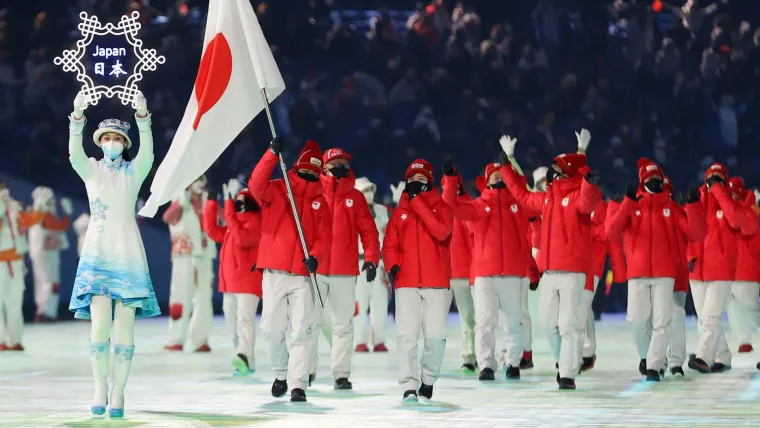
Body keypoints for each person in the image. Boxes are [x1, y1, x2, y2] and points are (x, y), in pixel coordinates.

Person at [67, 92, 160, 418]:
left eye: (116, 138)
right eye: (106, 137)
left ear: (124, 142)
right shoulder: (91, 170)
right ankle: (98, 387)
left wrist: (143, 117)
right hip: (97, 254)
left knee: (125, 330)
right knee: (99, 327)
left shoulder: (134, 172)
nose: (110, 142)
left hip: (128, 255)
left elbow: (148, 154)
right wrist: (77, 120)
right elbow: (74, 154)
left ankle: (118, 392)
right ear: (99, 141)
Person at [501, 134, 602, 390]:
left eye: (557, 169)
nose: (553, 173)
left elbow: (589, 203)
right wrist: (506, 169)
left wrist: (589, 183)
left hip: (572, 272)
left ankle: (567, 374)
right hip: (549, 271)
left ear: (567, 173)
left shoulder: (577, 198)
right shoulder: (548, 199)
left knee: (568, 323)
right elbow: (523, 197)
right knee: (547, 323)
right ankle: (565, 360)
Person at [248, 138, 332, 403]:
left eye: (313, 171)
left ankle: (298, 384)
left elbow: (324, 238)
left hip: (303, 276)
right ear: (296, 166)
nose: (309, 175)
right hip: (274, 270)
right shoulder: (278, 189)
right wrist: (272, 154)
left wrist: (315, 257)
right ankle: (280, 373)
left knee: (301, 330)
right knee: (271, 329)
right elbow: (255, 186)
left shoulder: (321, 202)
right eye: (305, 169)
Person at [606, 159, 704, 381]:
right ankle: (647, 357)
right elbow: (611, 232)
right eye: (650, 178)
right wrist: (627, 204)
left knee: (663, 321)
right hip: (638, 273)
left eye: (658, 178)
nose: (655, 181)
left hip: (665, 273)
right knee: (638, 321)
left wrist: (694, 206)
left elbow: (695, 234)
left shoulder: (670, 208)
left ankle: (655, 365)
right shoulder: (633, 205)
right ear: (642, 181)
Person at [442, 157, 533, 381]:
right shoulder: (480, 206)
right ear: (487, 178)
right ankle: (486, 364)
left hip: (512, 272)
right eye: (495, 173)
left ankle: (512, 362)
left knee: (513, 321)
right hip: (485, 274)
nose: (499, 176)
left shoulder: (519, 204)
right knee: (485, 321)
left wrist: (511, 167)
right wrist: (451, 180)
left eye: (503, 174)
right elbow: (450, 206)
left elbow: (526, 191)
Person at [309, 148, 380, 390]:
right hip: (316, 269)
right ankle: (305, 370)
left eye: (344, 163)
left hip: (344, 271)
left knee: (342, 325)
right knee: (310, 322)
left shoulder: (356, 198)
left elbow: (369, 231)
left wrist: (371, 258)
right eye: (336, 163)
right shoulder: (313, 193)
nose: (342, 167)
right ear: (325, 167)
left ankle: (341, 374)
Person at [383, 159, 453, 402]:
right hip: (407, 283)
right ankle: (409, 386)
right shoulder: (399, 214)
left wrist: (417, 202)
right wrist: (392, 264)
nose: (415, 183)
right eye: (411, 179)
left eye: (421, 180)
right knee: (407, 337)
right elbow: (390, 244)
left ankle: (428, 379)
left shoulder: (442, 208)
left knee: (435, 336)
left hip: (436, 283)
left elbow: (441, 231)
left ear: (429, 183)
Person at [688, 164, 756, 373]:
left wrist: (719, 192)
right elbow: (689, 231)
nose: (714, 180)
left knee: (711, 316)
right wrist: (690, 256)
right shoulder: (697, 198)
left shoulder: (731, 202)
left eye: (719, 177)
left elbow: (738, 222)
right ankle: (723, 356)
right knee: (705, 319)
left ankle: (703, 357)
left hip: (722, 270)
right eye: (711, 177)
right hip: (697, 270)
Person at [203, 179, 263, 376]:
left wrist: (228, 207)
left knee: (244, 321)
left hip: (248, 282)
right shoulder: (233, 224)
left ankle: (245, 357)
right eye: (235, 200)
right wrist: (211, 203)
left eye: (241, 200)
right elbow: (212, 231)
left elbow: (242, 239)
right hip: (230, 283)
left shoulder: (255, 222)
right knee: (233, 325)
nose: (238, 204)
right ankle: (244, 358)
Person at [162, 175, 216, 352]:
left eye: (202, 179)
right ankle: (175, 338)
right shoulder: (179, 199)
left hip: (204, 255)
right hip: (184, 255)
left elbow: (222, 216)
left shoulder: (208, 200)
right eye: (196, 180)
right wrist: (181, 203)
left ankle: (200, 339)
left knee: (203, 298)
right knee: (180, 296)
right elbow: (167, 218)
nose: (200, 184)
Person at [439, 169, 476, 373]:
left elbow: (474, 242)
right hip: (447, 273)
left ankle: (469, 356)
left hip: (461, 273)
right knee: (441, 319)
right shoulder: (441, 209)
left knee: (468, 318)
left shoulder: (468, 208)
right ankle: (467, 356)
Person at [353, 177, 391, 354]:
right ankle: (360, 340)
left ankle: (379, 340)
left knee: (380, 302)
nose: (368, 194)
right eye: (364, 190)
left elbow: (389, 233)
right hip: (359, 262)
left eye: (370, 190)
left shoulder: (381, 210)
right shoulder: (350, 210)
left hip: (380, 262)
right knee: (359, 303)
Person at [27, 186, 72, 322]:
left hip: (41, 254)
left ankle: (43, 311)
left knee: (42, 283)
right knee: (51, 283)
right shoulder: (43, 214)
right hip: (47, 255)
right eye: (51, 200)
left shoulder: (35, 214)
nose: (53, 203)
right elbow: (59, 226)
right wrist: (67, 214)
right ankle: (47, 312)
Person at [725, 178, 760, 354]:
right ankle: (743, 340)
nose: (731, 197)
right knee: (732, 306)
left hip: (747, 268)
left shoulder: (752, 211)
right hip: (729, 269)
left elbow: (748, 229)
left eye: (734, 194)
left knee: (751, 308)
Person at [663, 177, 691, 376]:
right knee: (655, 319)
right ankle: (658, 360)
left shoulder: (679, 212)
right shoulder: (645, 210)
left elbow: (695, 232)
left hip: (677, 274)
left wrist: (689, 209)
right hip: (653, 273)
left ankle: (675, 362)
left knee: (676, 316)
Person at [0, 181, 27, 351]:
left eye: (3, 189)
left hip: (16, 262)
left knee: (15, 303)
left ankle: (15, 339)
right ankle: (1, 340)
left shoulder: (14, 208)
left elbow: (29, 222)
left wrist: (40, 208)